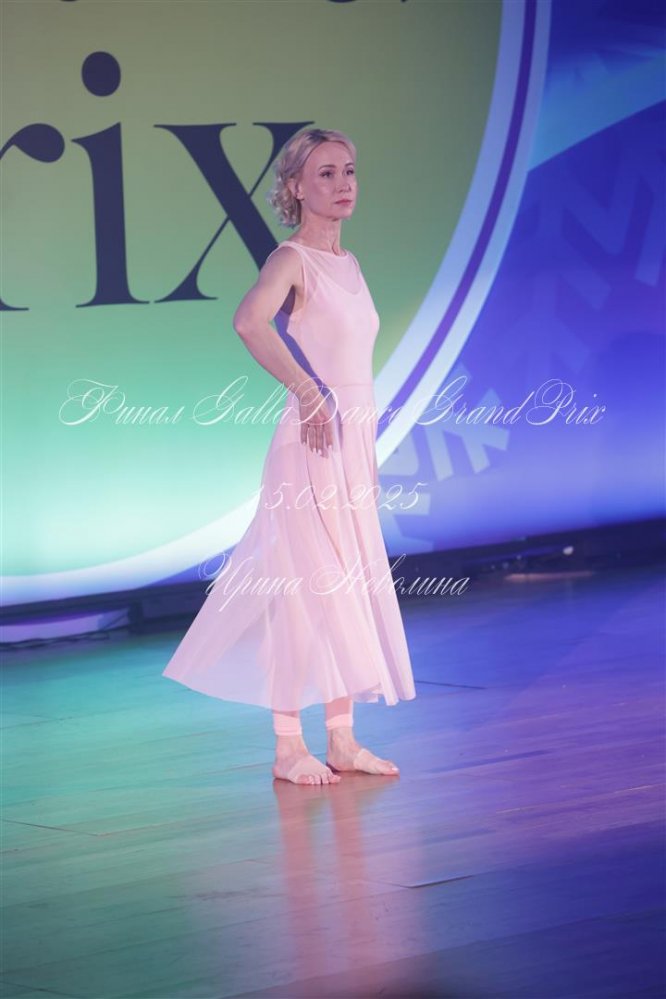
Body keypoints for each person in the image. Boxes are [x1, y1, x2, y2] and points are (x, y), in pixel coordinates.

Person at [162, 127, 417, 785]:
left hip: (349, 445)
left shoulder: (349, 263)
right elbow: (249, 321)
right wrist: (307, 391)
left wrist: (361, 443)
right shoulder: (292, 259)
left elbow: (352, 364)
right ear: (297, 187)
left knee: (345, 586)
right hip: (309, 447)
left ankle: (342, 739)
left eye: (348, 170)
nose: (342, 184)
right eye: (325, 173)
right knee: (303, 595)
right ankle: (286, 747)